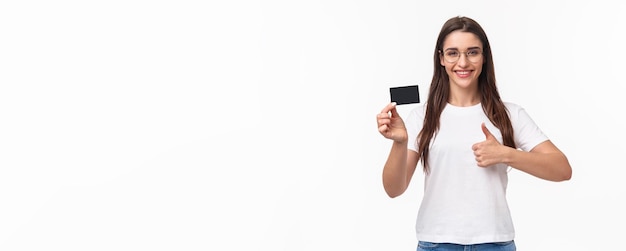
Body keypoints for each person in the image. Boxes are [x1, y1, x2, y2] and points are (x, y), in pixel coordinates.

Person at [375, 16, 572, 251]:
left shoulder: (510, 114)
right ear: (441, 59)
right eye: (453, 53)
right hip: (437, 243)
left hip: (494, 242)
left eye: (472, 52)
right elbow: (393, 189)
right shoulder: (422, 117)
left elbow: (562, 169)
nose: (463, 62)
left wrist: (505, 154)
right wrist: (400, 143)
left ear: (484, 56)